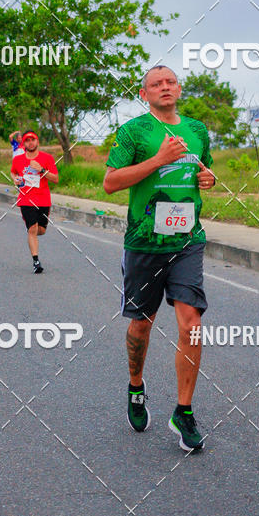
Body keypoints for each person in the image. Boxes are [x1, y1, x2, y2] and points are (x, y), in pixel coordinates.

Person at [103, 65, 215, 452]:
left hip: (187, 240)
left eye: (169, 82)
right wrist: (157, 160)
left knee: (192, 321)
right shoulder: (134, 131)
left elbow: (203, 169)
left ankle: (183, 411)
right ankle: (136, 387)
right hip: (144, 243)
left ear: (178, 88)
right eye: (156, 84)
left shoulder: (197, 130)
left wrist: (208, 179)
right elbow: (111, 182)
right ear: (144, 92)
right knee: (141, 325)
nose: (164, 87)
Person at [10, 130, 58, 273]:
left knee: (40, 230)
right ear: (23, 143)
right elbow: (13, 171)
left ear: (37, 142)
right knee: (32, 229)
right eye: (27, 140)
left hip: (43, 199)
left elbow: (55, 179)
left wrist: (42, 169)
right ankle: (36, 261)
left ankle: (33, 236)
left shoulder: (47, 158)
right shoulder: (18, 159)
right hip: (26, 199)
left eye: (33, 140)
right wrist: (15, 179)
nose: (30, 142)